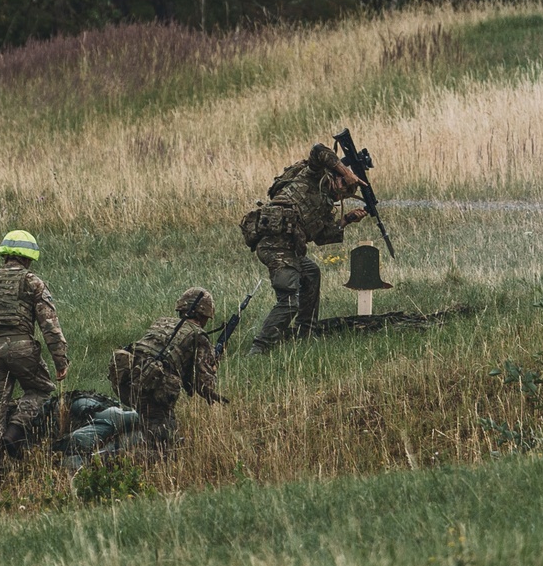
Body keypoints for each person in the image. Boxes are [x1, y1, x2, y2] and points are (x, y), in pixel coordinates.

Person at [240, 141, 368, 355]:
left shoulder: (326, 205)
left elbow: (322, 237)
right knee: (289, 301)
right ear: (337, 176)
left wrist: (346, 220)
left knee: (311, 273)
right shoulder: (313, 175)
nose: (343, 193)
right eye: (345, 185)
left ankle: (305, 334)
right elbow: (319, 150)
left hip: (290, 249)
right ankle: (259, 348)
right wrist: (346, 171)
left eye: (348, 192)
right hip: (274, 245)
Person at [0, 229, 70, 484]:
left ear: (4, 255)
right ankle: (16, 429)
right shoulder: (32, 282)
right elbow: (49, 325)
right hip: (23, 349)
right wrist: (60, 360)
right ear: (29, 257)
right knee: (42, 389)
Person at [107, 287, 227, 449]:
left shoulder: (162, 322)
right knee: (163, 442)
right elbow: (204, 385)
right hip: (152, 389)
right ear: (203, 314)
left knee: (152, 425)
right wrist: (213, 366)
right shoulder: (198, 336)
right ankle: (111, 459)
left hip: (127, 380)